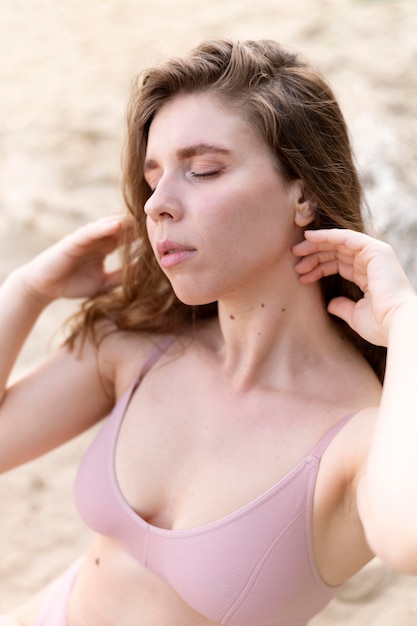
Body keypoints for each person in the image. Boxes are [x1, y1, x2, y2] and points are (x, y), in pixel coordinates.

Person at [1, 37, 416, 626]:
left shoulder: (356, 440)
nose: (157, 205)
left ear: (303, 196)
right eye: (153, 178)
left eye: (203, 170)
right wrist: (26, 291)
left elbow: (409, 542)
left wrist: (407, 326)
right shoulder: (142, 345)